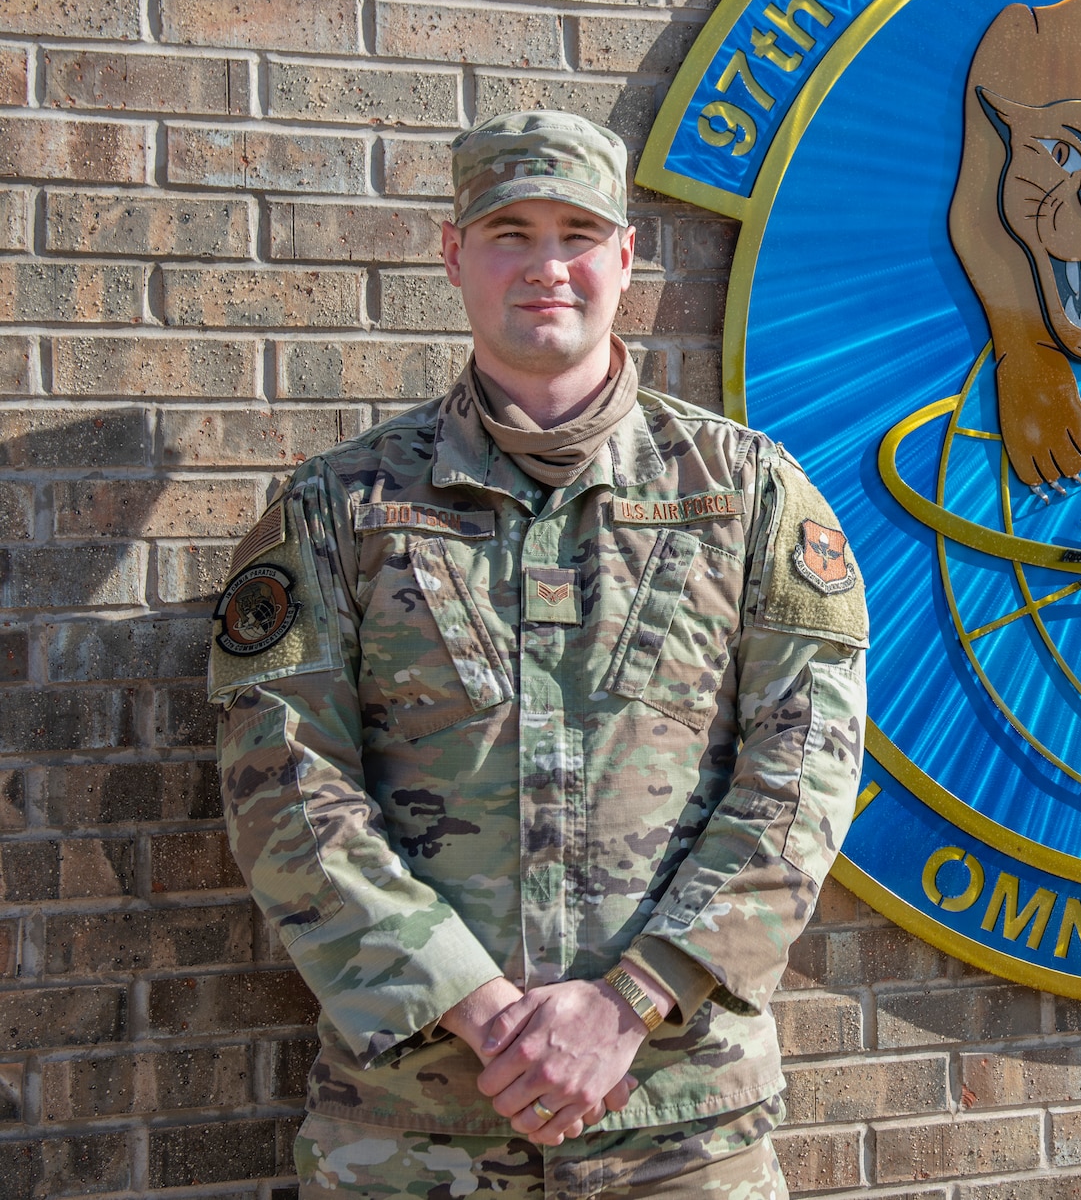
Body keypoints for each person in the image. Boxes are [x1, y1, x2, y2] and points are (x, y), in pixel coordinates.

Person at [211, 111, 868, 1198]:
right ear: (453, 253)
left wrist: (629, 1002)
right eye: (509, 231)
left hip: (680, 1126)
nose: (546, 265)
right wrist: (476, 1007)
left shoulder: (747, 495)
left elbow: (805, 774)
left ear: (622, 258)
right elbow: (284, 787)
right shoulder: (339, 509)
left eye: (576, 232)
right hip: (415, 1132)